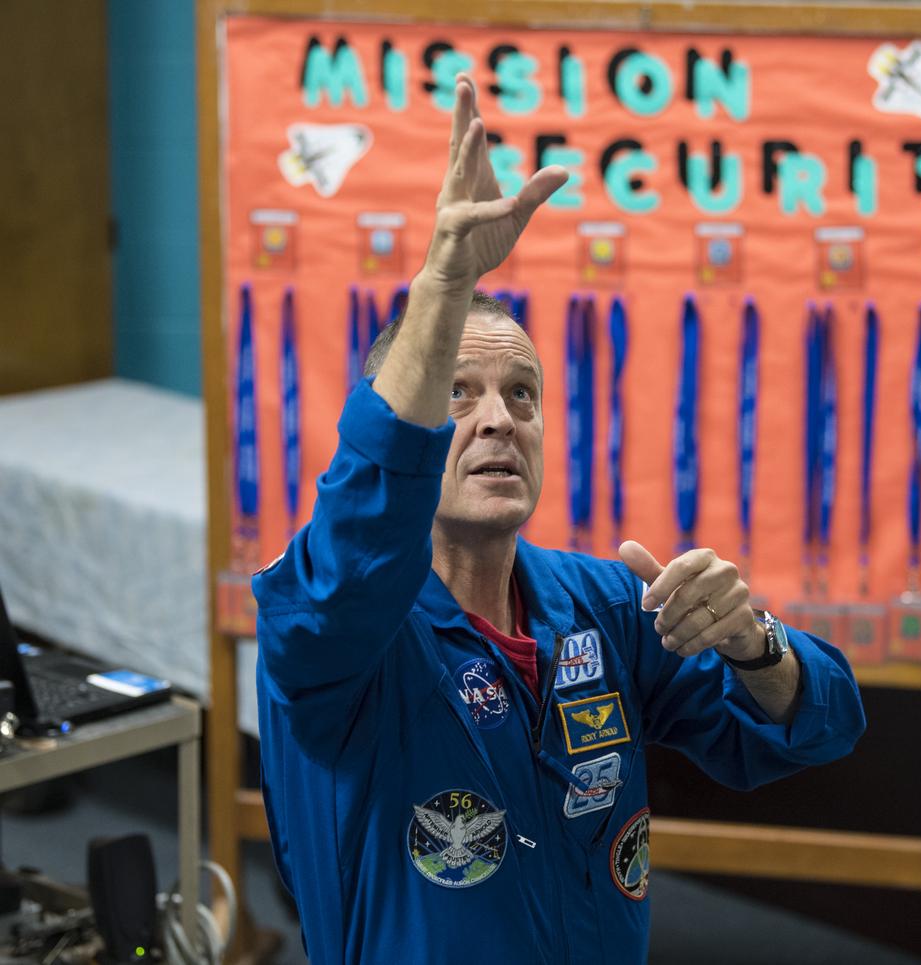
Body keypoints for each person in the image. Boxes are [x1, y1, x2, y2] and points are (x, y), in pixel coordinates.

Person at [254, 74, 865, 965]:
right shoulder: (336, 630)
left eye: (522, 394)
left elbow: (819, 723)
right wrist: (445, 282)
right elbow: (361, 529)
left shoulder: (606, 605)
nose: (499, 420)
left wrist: (754, 644)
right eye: (458, 393)